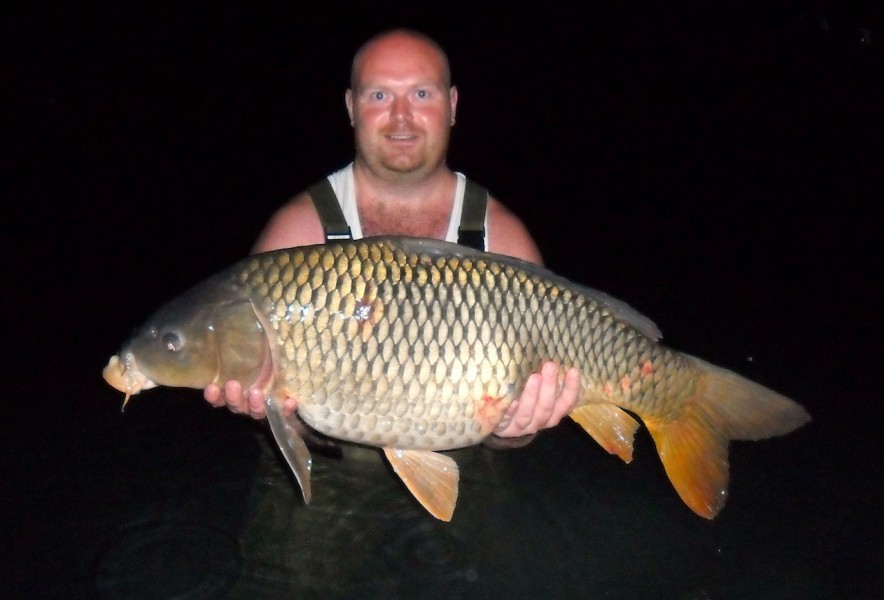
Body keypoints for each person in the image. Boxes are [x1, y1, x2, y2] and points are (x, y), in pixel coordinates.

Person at [204, 28, 580, 444]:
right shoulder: (297, 232)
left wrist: (513, 430)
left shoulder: (502, 236)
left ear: (452, 105)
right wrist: (270, 414)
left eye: (421, 94)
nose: (401, 117)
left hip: (467, 467)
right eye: (379, 96)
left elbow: (521, 427)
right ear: (351, 107)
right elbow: (281, 423)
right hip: (332, 469)